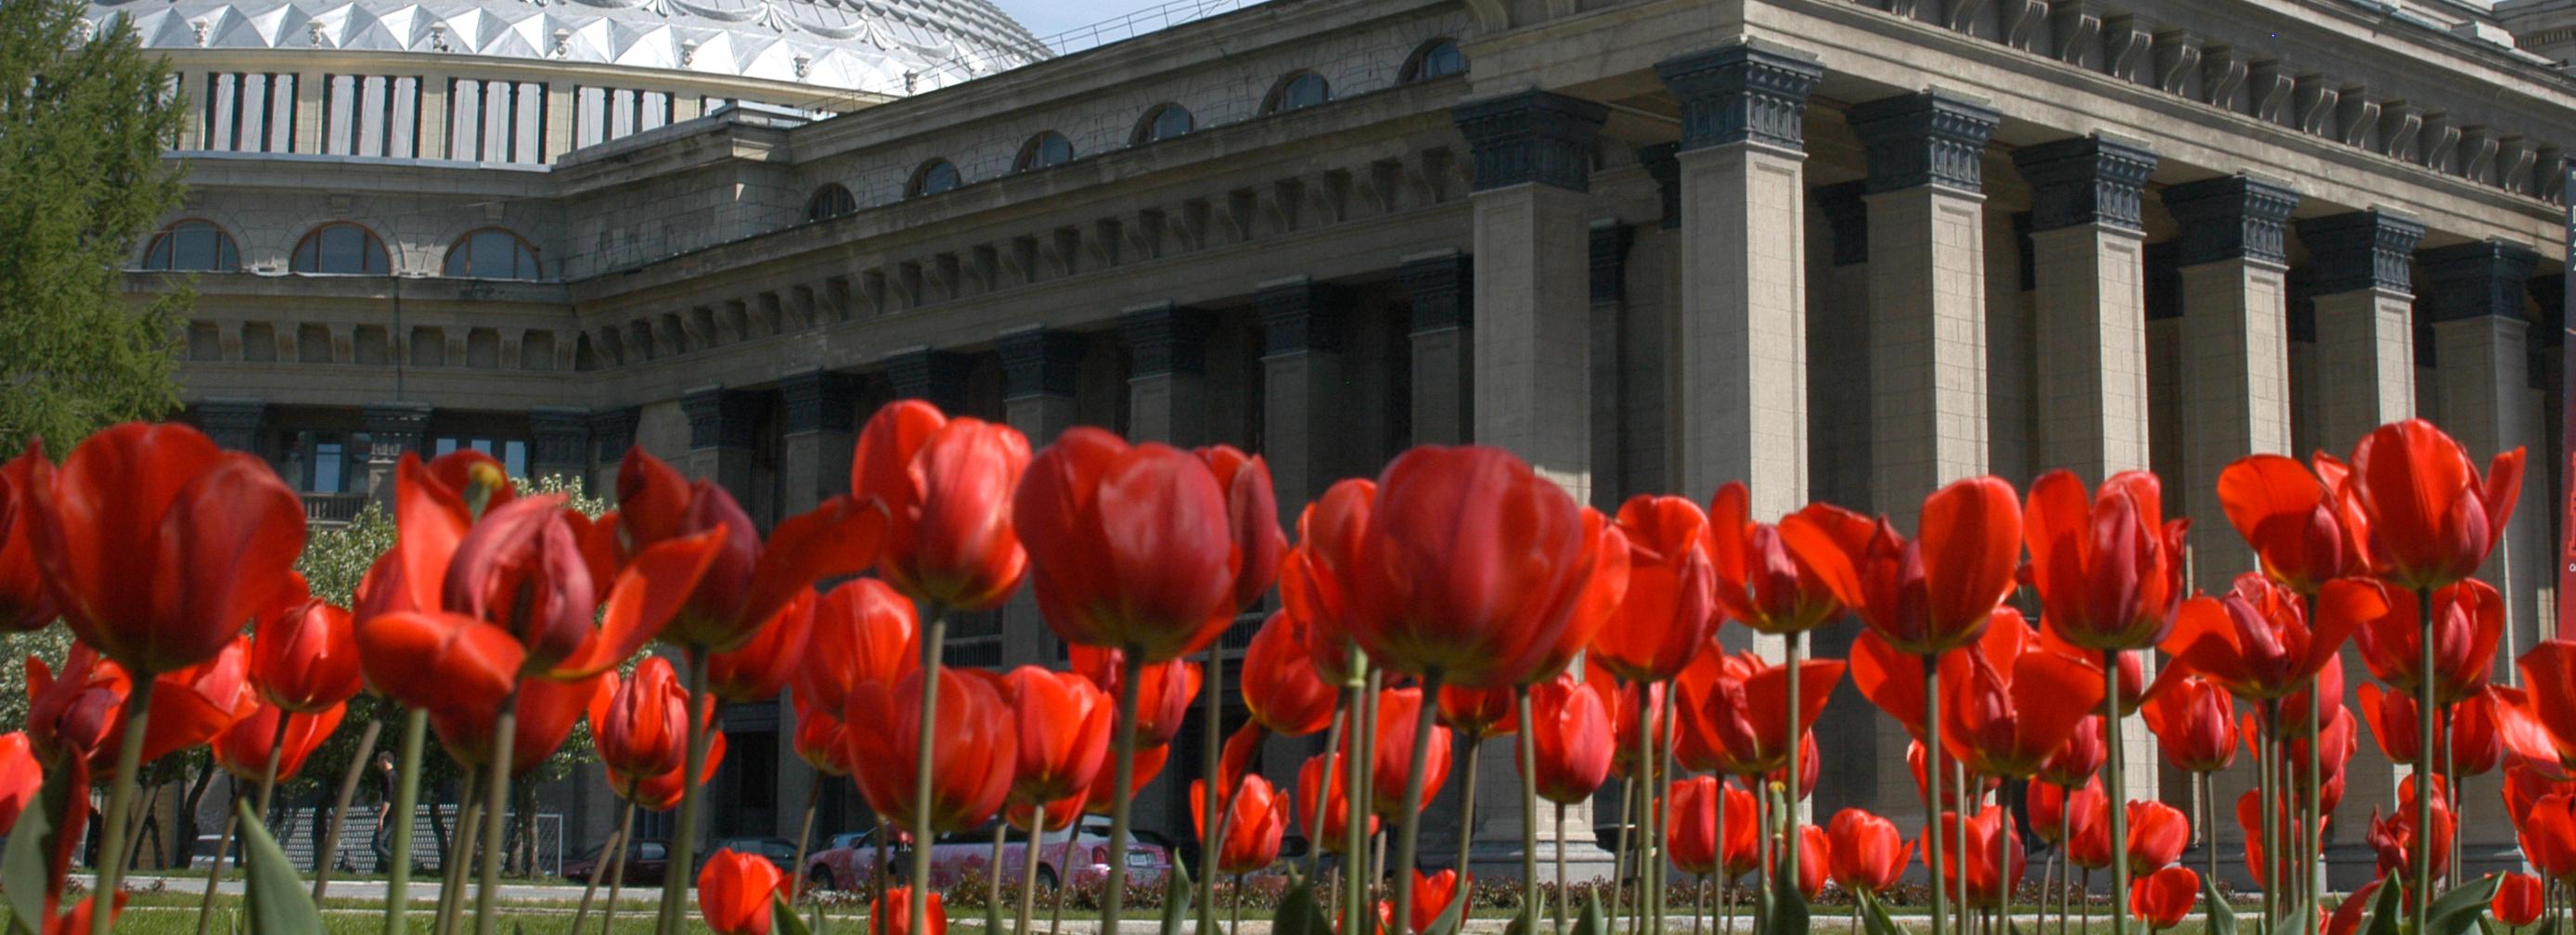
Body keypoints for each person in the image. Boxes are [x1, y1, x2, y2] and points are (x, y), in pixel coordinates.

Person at [368, 752, 399, 874]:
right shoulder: (396, 775)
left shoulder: (388, 776)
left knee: (377, 842)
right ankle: (384, 871)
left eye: (378, 761)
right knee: (385, 843)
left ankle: (398, 864)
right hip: (397, 813)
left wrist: (381, 817)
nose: (377, 764)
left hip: (392, 814)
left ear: (384, 761)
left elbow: (388, 798)